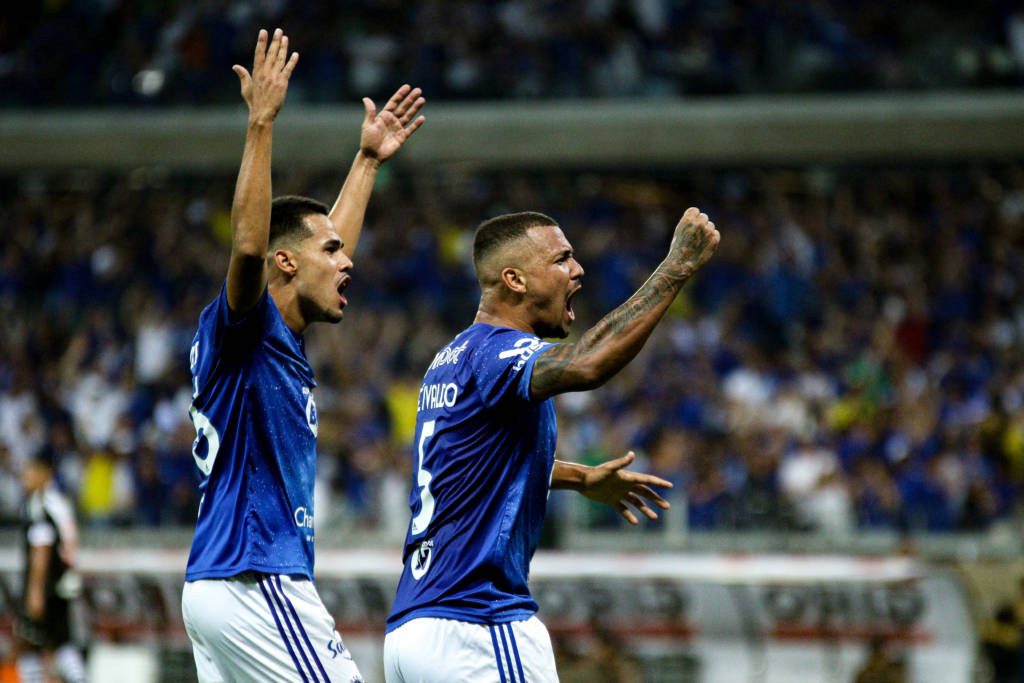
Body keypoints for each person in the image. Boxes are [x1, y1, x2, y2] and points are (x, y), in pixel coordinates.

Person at [179, 28, 425, 682]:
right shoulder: (246, 325)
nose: (349, 263)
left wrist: (367, 162)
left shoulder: (276, 339)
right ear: (285, 263)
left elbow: (319, 249)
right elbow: (250, 247)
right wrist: (261, 124)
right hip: (256, 576)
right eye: (332, 252)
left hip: (218, 582)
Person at [383, 208, 719, 681]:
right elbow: (587, 364)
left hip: (412, 629)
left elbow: (476, 466)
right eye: (562, 259)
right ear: (515, 280)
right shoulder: (498, 352)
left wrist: (579, 478)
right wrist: (676, 267)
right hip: (477, 622)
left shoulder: (451, 359)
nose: (578, 270)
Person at [15, 449, 87, 683]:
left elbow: (42, 546)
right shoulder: (60, 503)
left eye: (30, 470)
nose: (25, 475)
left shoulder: (40, 504)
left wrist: (35, 591)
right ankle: (79, 678)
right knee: (62, 642)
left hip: (46, 586)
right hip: (62, 584)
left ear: (45, 473)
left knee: (29, 644)